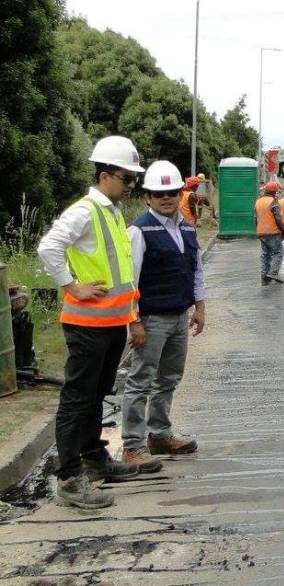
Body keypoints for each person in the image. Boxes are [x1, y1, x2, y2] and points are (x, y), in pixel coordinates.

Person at [37, 136, 144, 509]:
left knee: (97, 395)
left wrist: (130, 318)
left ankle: (94, 457)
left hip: (111, 323)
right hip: (87, 324)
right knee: (77, 399)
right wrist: (71, 285)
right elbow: (48, 247)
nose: (131, 187)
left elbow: (121, 275)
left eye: (134, 180)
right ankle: (69, 478)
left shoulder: (112, 212)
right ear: (104, 176)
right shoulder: (84, 211)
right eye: (126, 179)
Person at [121, 161, 206, 474]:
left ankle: (159, 434)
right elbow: (130, 280)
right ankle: (132, 446)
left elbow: (196, 269)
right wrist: (134, 321)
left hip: (180, 316)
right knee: (140, 380)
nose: (166, 198)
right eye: (159, 193)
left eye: (171, 192)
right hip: (152, 319)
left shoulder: (186, 226)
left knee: (168, 378)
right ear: (148, 197)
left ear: (179, 193)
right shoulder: (139, 231)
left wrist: (200, 306)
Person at [255, 181, 284, 284]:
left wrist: (258, 229)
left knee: (265, 255)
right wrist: (283, 230)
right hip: (272, 232)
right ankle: (273, 272)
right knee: (278, 252)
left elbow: (256, 218)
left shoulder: (258, 201)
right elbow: (278, 218)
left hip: (261, 232)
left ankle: (264, 278)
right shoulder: (273, 202)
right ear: (275, 192)